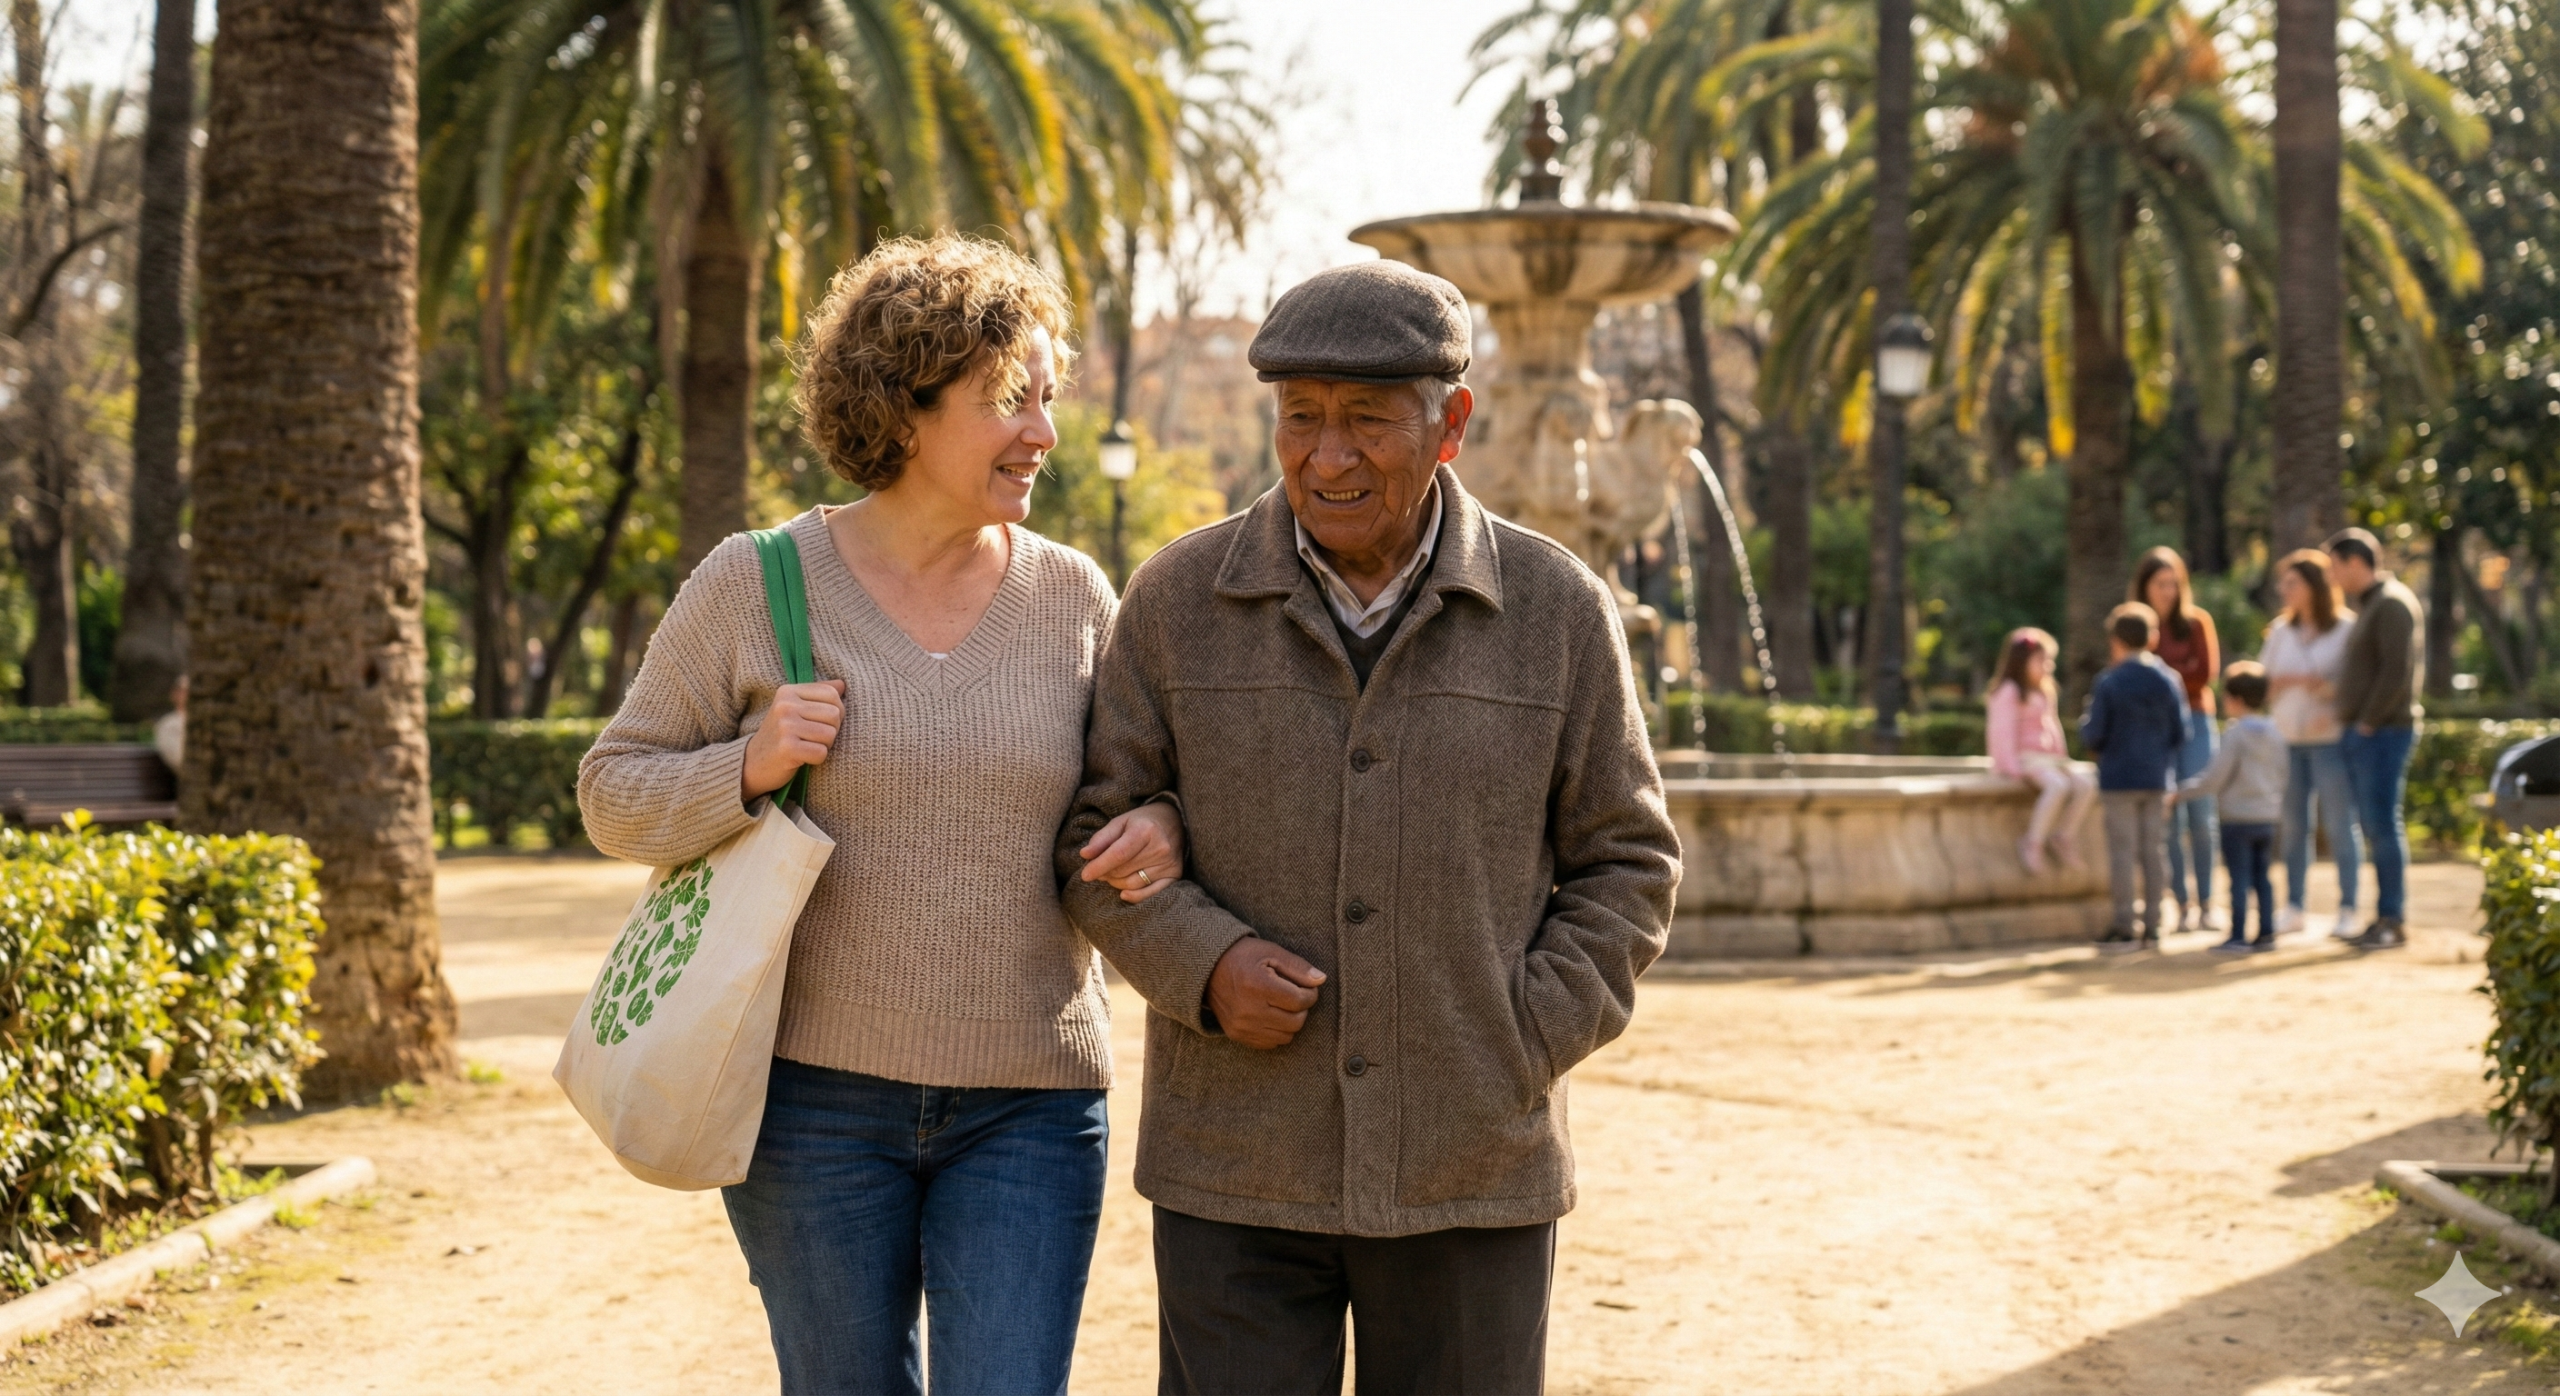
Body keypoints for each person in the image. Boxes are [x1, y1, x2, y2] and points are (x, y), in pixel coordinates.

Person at [1056, 261, 1681, 1396]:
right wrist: (1202, 966)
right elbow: (1093, 845)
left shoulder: (1557, 610)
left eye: (1365, 421)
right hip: (1233, 1168)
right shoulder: (1175, 602)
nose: (1326, 456)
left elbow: (1628, 861)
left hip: (1472, 1163)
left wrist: (1518, 1034)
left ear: (1450, 425)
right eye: (1300, 417)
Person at [578, 236, 1189, 1396]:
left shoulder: (1075, 598)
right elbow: (612, 791)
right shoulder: (755, 582)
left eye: (1050, 400)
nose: (1044, 434)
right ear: (903, 408)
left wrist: (1159, 823)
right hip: (809, 1106)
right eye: (1011, 400)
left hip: (1033, 1101)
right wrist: (747, 765)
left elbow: (1142, 786)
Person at [2326, 527, 2426, 951]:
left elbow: (2396, 670)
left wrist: (2368, 720)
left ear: (2355, 562)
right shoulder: (2373, 604)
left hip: (2384, 732)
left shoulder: (2390, 604)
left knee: (2383, 826)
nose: (2332, 576)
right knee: (2376, 826)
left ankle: (2392, 919)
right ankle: (2385, 916)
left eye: (2335, 566)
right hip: (2370, 731)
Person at [2258, 548, 2361, 939]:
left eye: (2291, 583)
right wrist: (2281, 683)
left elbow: (2355, 684)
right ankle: (2295, 906)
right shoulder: (2280, 632)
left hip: (2330, 741)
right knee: (2293, 826)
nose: (2284, 590)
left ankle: (2348, 907)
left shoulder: (2347, 630)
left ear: (2313, 586)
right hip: (2287, 741)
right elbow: (2261, 684)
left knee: (2338, 824)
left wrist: (2330, 697)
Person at [2082, 602, 2189, 949]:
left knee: (2123, 854)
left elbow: (2094, 734)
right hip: (2156, 777)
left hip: (2118, 779)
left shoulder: (2109, 682)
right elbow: (2181, 732)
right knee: (2154, 852)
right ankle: (2155, 923)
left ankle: (2125, 922)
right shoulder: (2168, 680)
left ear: (2116, 640)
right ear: (2153, 638)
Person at [2133, 547, 2221, 933]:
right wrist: (2176, 674)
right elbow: (2131, 678)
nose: (2167, 591)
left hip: (2198, 722)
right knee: (2168, 818)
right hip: (2155, 730)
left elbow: (2203, 674)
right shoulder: (2135, 626)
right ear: (2145, 587)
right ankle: (2181, 904)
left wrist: (2164, 679)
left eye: (2173, 584)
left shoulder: (2198, 622)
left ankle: (2207, 902)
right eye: (2160, 584)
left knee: (2201, 815)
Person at [2176, 662, 2286, 955]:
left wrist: (2180, 793)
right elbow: (2284, 774)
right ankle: (2266, 933)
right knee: (2262, 877)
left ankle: (2237, 935)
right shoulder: (2276, 732)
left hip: (2237, 819)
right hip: (2267, 817)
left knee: (2238, 879)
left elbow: (2215, 778)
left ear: (2235, 699)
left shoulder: (2235, 734)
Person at [1986, 626, 2092, 873]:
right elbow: (2001, 732)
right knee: (2058, 786)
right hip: (2026, 758)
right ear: (2021, 661)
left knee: (2086, 784)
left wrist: (2061, 756)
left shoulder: (2045, 690)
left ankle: (2063, 836)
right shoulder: (2008, 691)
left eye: (2049, 662)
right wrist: (2009, 766)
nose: (2047, 667)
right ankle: (2032, 842)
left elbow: (2052, 725)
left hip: (2047, 758)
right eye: (2041, 661)